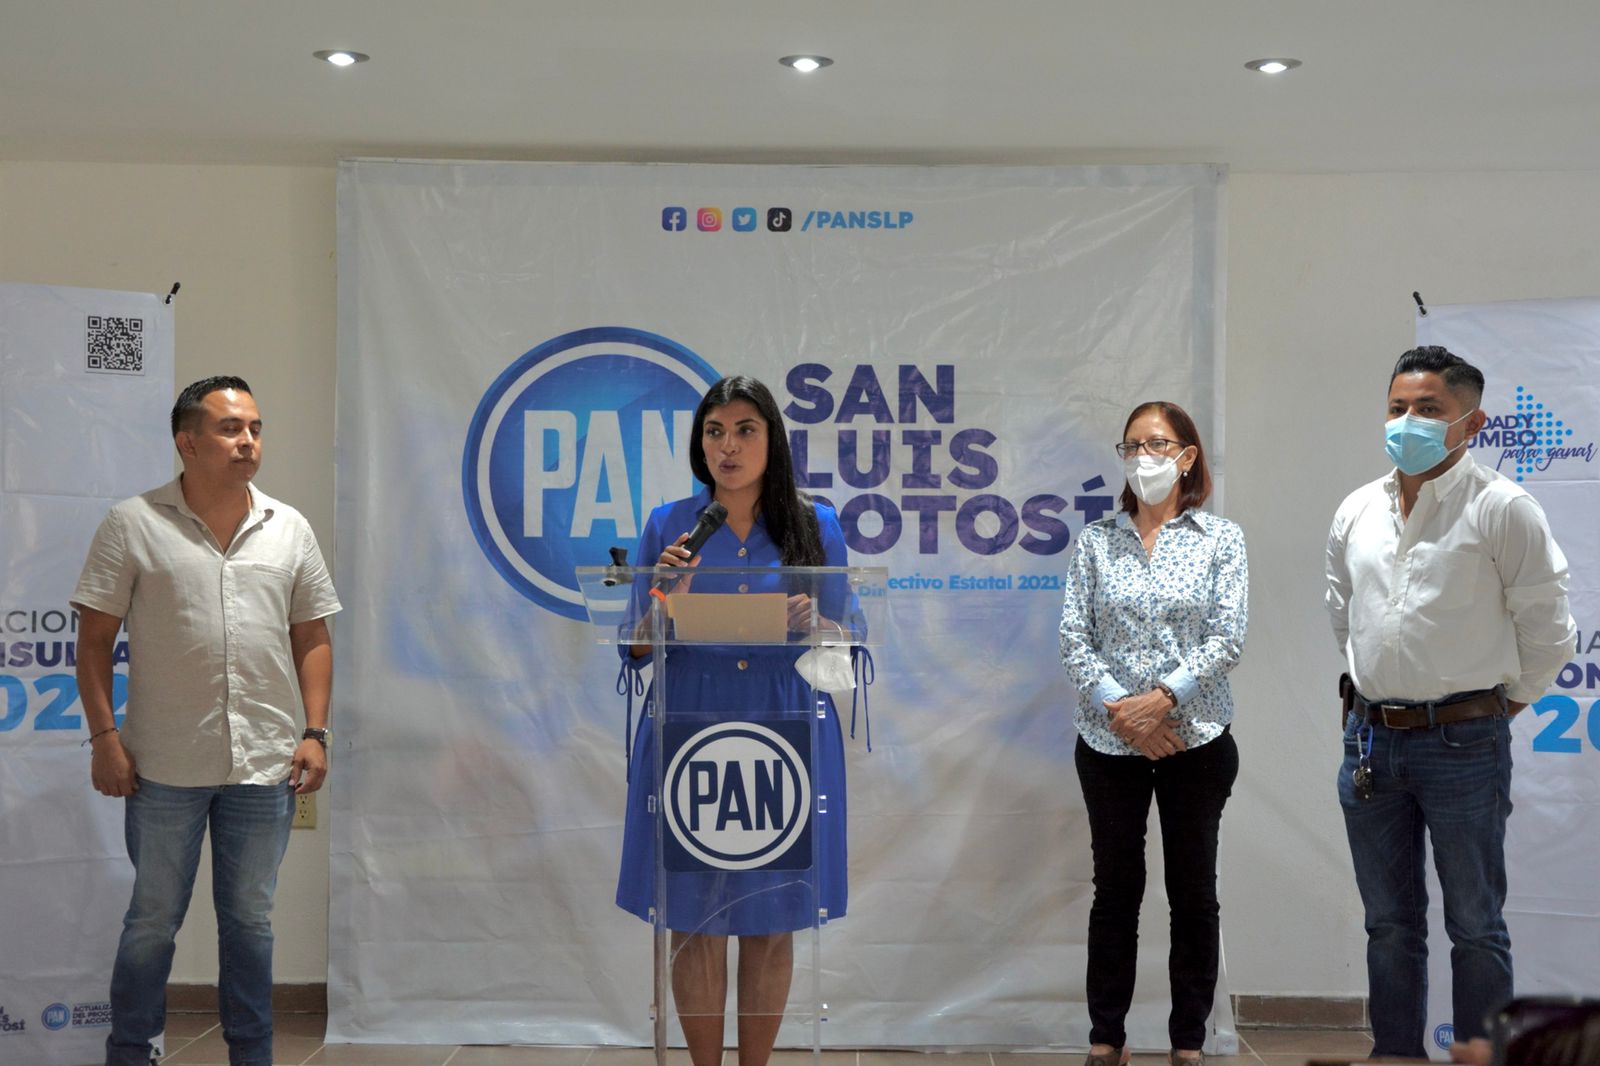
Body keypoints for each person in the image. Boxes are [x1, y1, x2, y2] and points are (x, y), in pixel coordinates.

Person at [72, 376, 341, 1066]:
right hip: (163, 765)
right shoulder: (132, 523)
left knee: (250, 922)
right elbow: (94, 643)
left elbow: (311, 636)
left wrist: (315, 732)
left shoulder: (289, 527)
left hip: (264, 764)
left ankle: (252, 1055)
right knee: (152, 921)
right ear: (187, 442)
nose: (247, 441)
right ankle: (130, 1052)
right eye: (229, 428)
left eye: (254, 427)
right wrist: (104, 740)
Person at [1325, 346, 1575, 1060]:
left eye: (1429, 409)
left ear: (1472, 422)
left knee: (1475, 925)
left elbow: (1550, 634)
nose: (1408, 422)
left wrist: (1496, 710)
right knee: (1389, 925)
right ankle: (1395, 1053)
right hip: (1370, 741)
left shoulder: (1503, 508)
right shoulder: (1356, 509)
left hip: (1466, 744)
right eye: (1397, 408)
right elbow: (1343, 615)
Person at [615, 375, 858, 1066]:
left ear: (772, 440)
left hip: (785, 724)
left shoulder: (816, 525)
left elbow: (848, 634)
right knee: (693, 918)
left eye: (745, 430)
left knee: (771, 916)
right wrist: (664, 601)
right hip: (689, 724)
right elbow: (635, 646)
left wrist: (816, 622)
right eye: (714, 431)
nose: (728, 446)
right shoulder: (670, 525)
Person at [1059, 400, 1248, 1066]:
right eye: (1132, 446)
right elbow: (1074, 638)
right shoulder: (1096, 541)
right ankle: (1106, 1037)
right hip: (1108, 742)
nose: (1144, 457)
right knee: (1115, 891)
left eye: (1158, 444)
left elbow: (1227, 637)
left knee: (1193, 892)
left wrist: (1163, 702)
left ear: (1187, 456)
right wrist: (1126, 714)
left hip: (1196, 741)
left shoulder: (1221, 539)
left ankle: (1188, 1040)